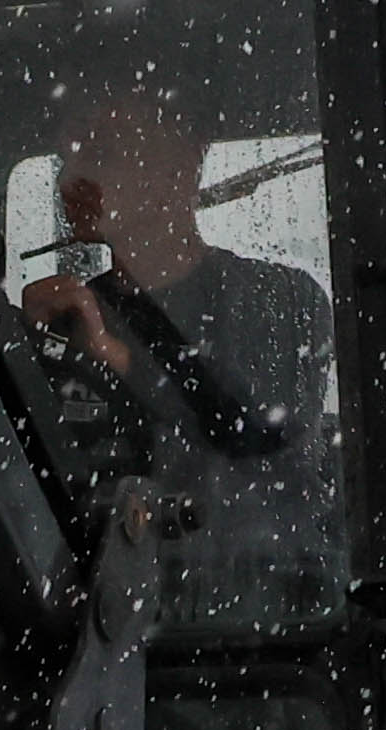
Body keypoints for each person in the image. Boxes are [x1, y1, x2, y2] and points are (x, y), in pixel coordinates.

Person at [20, 74, 338, 615]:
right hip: (101, 629)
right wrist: (21, 359)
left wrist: (118, 358)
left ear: (180, 168)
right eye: (67, 157)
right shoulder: (58, 327)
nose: (74, 175)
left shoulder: (282, 301)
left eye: (101, 152)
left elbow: (258, 434)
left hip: (267, 628)